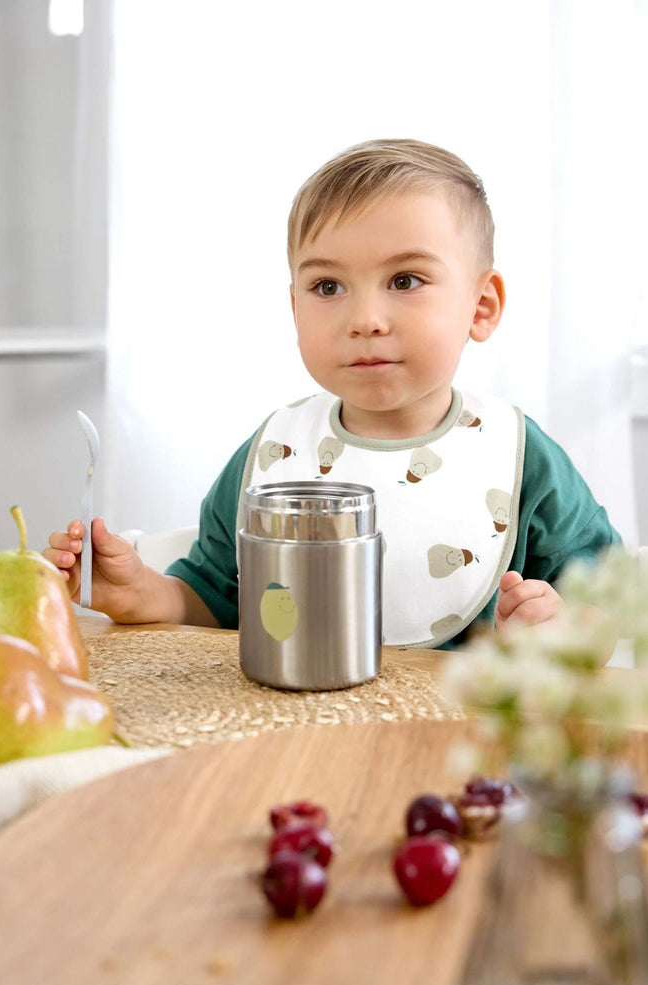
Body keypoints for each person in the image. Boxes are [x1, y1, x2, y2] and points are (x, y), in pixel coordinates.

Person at [44, 139, 620, 648]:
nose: (365, 318)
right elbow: (215, 597)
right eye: (327, 286)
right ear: (294, 307)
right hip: (295, 734)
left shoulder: (517, 454)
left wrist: (565, 624)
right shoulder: (275, 452)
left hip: (461, 739)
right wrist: (141, 593)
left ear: (482, 305)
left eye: (404, 280)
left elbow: (614, 592)